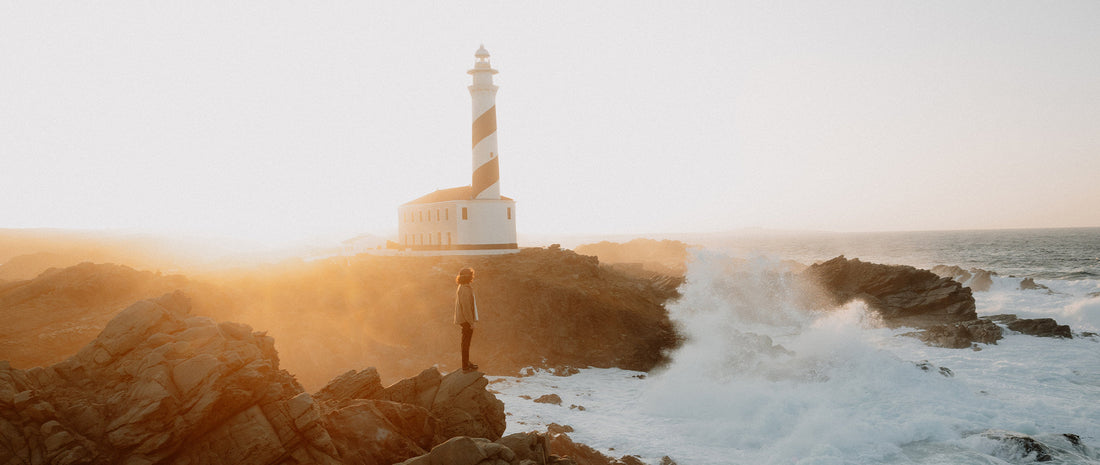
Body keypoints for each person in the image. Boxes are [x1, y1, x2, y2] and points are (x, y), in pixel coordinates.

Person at [454, 267, 479, 372]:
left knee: (465, 342)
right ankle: (465, 365)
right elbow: (466, 308)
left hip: (464, 319)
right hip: (466, 320)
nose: (472, 276)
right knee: (466, 343)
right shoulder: (465, 289)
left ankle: (466, 362)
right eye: (471, 275)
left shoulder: (463, 287)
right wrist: (471, 322)